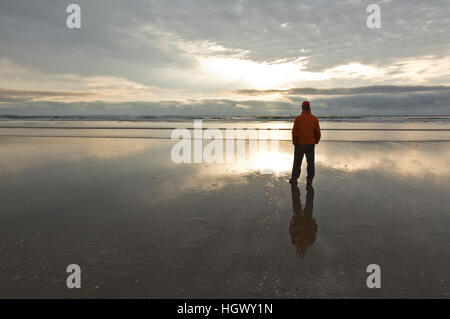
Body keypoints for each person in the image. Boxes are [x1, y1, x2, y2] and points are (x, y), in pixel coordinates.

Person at [289, 101, 321, 186]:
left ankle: (294, 178)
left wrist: (294, 142)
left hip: (300, 143)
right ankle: (310, 179)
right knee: (310, 162)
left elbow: (294, 132)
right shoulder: (314, 119)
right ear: (309, 108)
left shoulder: (298, 119)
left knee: (297, 162)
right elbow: (317, 132)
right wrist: (316, 141)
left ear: (302, 108)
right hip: (310, 143)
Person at [289, 184, 317, 257]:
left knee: (299, 204)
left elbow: (291, 230)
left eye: (300, 250)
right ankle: (308, 181)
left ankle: (309, 180)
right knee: (307, 204)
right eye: (302, 250)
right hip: (306, 221)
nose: (301, 248)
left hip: (300, 221)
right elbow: (314, 230)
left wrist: (292, 222)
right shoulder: (309, 242)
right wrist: (313, 223)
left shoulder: (295, 242)